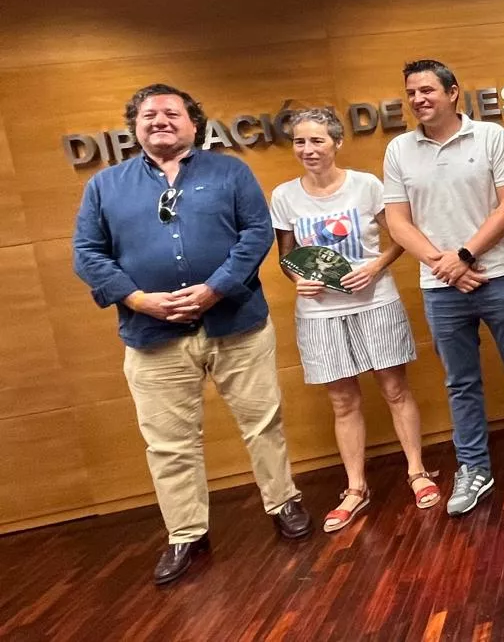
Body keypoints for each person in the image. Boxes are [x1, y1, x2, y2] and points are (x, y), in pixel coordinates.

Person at [72, 84, 310, 586]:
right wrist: (137, 299)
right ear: (135, 126)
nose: (159, 120)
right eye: (148, 114)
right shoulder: (105, 186)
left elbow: (256, 234)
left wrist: (216, 288)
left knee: (263, 423)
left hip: (236, 325)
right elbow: (87, 253)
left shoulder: (230, 172)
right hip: (151, 336)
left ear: (193, 123)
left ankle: (283, 502)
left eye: (171, 112)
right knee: (168, 444)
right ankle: (186, 533)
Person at [382, 59, 504, 515]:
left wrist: (464, 255)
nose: (418, 99)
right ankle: (473, 468)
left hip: (500, 276)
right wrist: (444, 265)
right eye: (411, 93)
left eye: (427, 90)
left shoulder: (490, 136)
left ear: (452, 93)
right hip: (440, 287)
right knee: (460, 383)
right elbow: (397, 221)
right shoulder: (399, 150)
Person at [269, 107, 440, 532]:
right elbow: (286, 256)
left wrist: (375, 266)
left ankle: (417, 471)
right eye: (300, 142)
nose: (308, 149)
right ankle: (356, 488)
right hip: (320, 314)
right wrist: (298, 279)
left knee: (395, 389)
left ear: (337, 142)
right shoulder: (284, 196)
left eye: (317, 140)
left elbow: (400, 237)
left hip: (375, 302)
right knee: (343, 402)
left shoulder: (367, 185)